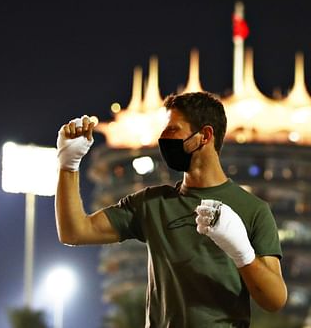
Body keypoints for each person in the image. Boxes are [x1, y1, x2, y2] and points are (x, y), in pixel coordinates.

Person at [55, 92, 287, 327]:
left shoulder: (253, 210)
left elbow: (274, 300)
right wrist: (68, 165)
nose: (162, 139)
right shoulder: (151, 203)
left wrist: (242, 253)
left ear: (205, 136)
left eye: (172, 130)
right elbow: (74, 232)